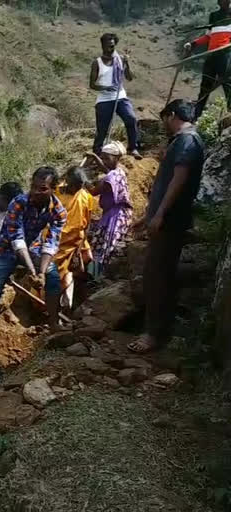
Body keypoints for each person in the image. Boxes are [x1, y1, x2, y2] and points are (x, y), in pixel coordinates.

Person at [129, 99, 205, 354]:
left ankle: (154, 333)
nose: (163, 125)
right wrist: (149, 214)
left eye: (164, 119)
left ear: (171, 115)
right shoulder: (184, 142)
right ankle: (157, 329)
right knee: (157, 272)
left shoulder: (187, 141)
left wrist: (160, 214)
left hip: (170, 221)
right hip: (166, 219)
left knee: (157, 275)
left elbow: (178, 180)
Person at [0, 167, 68, 354]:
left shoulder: (59, 211)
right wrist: (32, 271)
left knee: (53, 278)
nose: (36, 192)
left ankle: (54, 324)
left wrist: (41, 273)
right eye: (34, 187)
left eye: (43, 188)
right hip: (6, 249)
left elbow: (51, 243)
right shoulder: (19, 202)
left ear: (54, 189)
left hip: (34, 249)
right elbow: (17, 239)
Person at [90, 33, 142, 159]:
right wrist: (106, 87)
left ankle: (133, 148)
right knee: (102, 129)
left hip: (120, 96)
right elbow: (92, 85)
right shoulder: (97, 63)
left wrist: (127, 63)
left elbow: (129, 78)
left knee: (131, 118)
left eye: (112, 46)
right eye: (108, 46)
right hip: (104, 99)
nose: (110, 49)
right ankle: (96, 153)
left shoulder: (120, 59)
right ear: (102, 46)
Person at [86, 141, 134, 274]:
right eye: (102, 157)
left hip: (115, 216)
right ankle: (99, 275)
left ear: (117, 158)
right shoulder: (118, 171)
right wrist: (95, 157)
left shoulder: (111, 177)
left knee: (104, 246)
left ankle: (96, 277)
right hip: (118, 213)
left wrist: (82, 179)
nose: (104, 161)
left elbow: (94, 191)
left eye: (107, 158)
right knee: (105, 245)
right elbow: (105, 168)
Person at [54, 167, 95, 311]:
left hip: (77, 240)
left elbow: (87, 223)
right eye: (72, 186)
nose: (74, 189)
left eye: (78, 187)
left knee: (87, 258)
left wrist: (80, 246)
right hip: (58, 241)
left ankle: (81, 293)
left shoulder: (85, 197)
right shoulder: (56, 192)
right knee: (57, 273)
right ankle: (57, 304)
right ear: (66, 181)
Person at [183, 0, 231, 121]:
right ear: (219, 2)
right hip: (211, 56)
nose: (226, 2)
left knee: (227, 85)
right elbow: (209, 36)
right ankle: (195, 117)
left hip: (226, 55)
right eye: (223, 0)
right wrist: (193, 43)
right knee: (205, 86)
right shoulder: (214, 16)